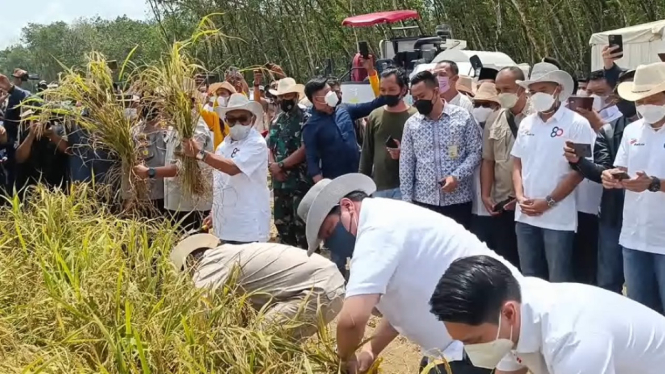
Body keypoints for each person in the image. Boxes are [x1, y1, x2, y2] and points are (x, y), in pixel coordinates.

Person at [297, 173, 521, 374]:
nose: (333, 243)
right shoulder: (386, 218)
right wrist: (370, 349)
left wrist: (345, 362)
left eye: (330, 231)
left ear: (347, 206)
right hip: (464, 342)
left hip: (479, 337)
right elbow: (402, 308)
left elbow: (351, 321)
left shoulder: (377, 230)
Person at [429, 255, 665, 374]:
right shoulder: (513, 310)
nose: (470, 351)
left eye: (475, 341)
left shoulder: (573, 339)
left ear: (509, 313)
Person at [170, 233, 345, 340]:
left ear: (189, 264)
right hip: (330, 284)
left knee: (257, 344)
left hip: (317, 290)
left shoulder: (209, 264)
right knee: (280, 347)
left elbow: (197, 314)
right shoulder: (229, 253)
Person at [511, 62, 595, 282]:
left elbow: (580, 171)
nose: (537, 95)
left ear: (558, 89)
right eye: (533, 91)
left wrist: (548, 201)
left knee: (559, 281)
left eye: (543, 90)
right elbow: (517, 161)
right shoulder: (527, 123)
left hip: (558, 218)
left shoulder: (577, 124)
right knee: (530, 280)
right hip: (526, 215)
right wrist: (519, 195)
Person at [564, 70, 636, 293]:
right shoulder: (610, 130)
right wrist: (580, 162)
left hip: (653, 220)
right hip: (614, 214)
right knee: (608, 279)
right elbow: (602, 171)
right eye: (620, 95)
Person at [603, 62, 665, 314]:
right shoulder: (631, 130)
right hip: (634, 237)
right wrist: (612, 177)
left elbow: (649, 181)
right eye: (640, 100)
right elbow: (622, 170)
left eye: (652, 98)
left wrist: (655, 184)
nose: (645, 105)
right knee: (641, 314)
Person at [183, 93, 270, 244]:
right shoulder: (223, 146)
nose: (237, 124)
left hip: (248, 227)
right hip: (225, 226)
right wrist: (214, 212)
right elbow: (221, 183)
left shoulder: (257, 143)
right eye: (232, 120)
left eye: (243, 119)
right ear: (225, 121)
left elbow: (233, 168)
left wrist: (199, 153)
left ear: (252, 119)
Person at [400, 71, 482, 229]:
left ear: (436, 91)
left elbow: (475, 152)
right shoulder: (412, 124)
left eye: (421, 96)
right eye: (414, 98)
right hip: (424, 201)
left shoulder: (462, 117)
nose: (417, 101)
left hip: (458, 201)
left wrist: (456, 176)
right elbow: (406, 163)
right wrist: (407, 201)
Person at [302, 57, 385, 183]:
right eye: (327, 93)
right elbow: (311, 159)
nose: (332, 95)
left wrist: (371, 71)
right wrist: (322, 185)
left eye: (331, 91)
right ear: (316, 99)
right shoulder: (311, 126)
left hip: (359, 175)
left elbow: (375, 104)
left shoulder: (345, 109)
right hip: (336, 181)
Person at [480, 66, 531, 269]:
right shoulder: (495, 118)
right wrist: (486, 194)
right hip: (502, 203)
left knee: (531, 265)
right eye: (498, 90)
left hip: (531, 204)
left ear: (522, 88)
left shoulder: (537, 116)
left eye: (507, 89)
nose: (502, 94)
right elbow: (488, 160)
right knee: (507, 262)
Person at [134, 111, 213, 232]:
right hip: (175, 202)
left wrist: (149, 172)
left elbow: (184, 167)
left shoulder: (195, 127)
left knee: (191, 247)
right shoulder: (175, 125)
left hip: (190, 205)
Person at [359, 67, 416, 200]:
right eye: (383, 90)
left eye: (391, 90)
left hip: (406, 188)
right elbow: (367, 153)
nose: (386, 94)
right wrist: (362, 186)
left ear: (403, 90)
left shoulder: (415, 116)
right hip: (379, 187)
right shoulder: (375, 115)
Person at [267, 77, 311, 248]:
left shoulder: (306, 117)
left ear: (296, 95)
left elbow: (305, 148)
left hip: (300, 182)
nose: (284, 100)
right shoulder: (277, 120)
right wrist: (273, 167)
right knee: (283, 227)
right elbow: (270, 147)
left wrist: (281, 165)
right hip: (280, 184)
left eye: (288, 96)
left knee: (302, 228)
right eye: (281, 96)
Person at [469, 82, 501, 249]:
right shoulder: (469, 128)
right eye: (477, 104)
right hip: (474, 205)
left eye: (486, 105)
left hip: (498, 203)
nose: (481, 109)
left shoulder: (504, 128)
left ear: (496, 106)